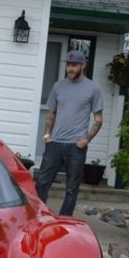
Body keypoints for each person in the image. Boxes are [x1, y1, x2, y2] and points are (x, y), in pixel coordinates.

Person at [35, 50, 103, 216]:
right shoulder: (58, 86)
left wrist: (86, 139)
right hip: (55, 143)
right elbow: (51, 114)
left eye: (74, 65)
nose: (70, 69)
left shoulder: (93, 88)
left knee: (71, 188)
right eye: (68, 65)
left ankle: (65, 220)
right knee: (42, 182)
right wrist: (46, 136)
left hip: (76, 146)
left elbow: (98, 119)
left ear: (83, 65)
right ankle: (39, 215)